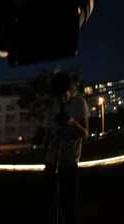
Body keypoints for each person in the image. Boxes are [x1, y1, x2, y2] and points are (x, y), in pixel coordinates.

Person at [40, 72, 89, 224]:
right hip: (52, 163)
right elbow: (45, 140)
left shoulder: (79, 103)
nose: (60, 99)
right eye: (57, 96)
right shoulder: (51, 108)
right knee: (48, 207)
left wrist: (73, 123)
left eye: (63, 95)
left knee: (70, 209)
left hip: (70, 164)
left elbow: (85, 134)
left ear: (69, 91)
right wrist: (49, 138)